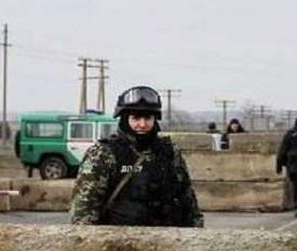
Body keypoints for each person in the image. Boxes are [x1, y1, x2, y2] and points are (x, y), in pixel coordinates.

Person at [70, 86, 204, 227]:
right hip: (119, 237)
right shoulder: (104, 153)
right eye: (136, 118)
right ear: (125, 119)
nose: (142, 124)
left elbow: (187, 198)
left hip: (168, 235)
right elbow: (84, 209)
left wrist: (196, 230)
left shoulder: (169, 152)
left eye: (148, 118)